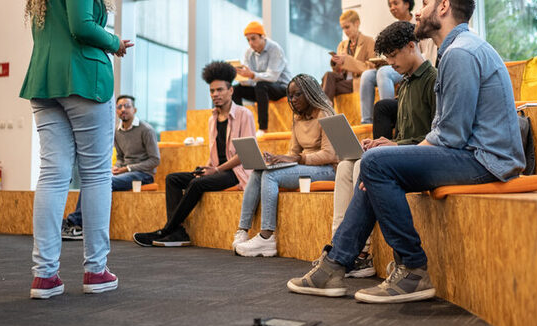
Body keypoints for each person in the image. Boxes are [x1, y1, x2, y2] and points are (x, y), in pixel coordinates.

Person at [287, 0, 524, 303]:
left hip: (485, 160)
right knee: (375, 165)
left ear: (443, 8)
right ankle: (335, 264)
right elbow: (448, 133)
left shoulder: (461, 53)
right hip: (476, 154)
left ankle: (411, 268)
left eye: (424, 3)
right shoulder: (456, 50)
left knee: (375, 163)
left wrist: (400, 152)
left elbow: (451, 136)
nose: (418, 11)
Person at [20, 0, 132, 299]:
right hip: (84, 80)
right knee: (98, 174)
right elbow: (82, 27)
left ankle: (45, 276)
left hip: (44, 82)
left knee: (52, 176)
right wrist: (114, 41)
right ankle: (95, 270)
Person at [329, 21, 437, 277]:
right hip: (405, 152)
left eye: (393, 55)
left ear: (411, 46)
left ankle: (361, 253)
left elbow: (436, 136)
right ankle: (339, 246)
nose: (389, 62)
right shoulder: (407, 83)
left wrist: (394, 145)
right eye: (386, 56)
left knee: (366, 165)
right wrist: (383, 142)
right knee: (346, 165)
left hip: (424, 155)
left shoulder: (432, 80)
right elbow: (404, 134)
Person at [133, 61, 255, 247]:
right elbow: (215, 152)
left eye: (220, 90)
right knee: (173, 179)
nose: (215, 94)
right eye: (212, 91)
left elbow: (245, 156)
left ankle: (166, 230)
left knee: (197, 183)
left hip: (237, 173)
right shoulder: (212, 119)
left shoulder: (244, 114)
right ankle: (179, 232)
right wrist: (208, 168)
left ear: (231, 91)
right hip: (217, 171)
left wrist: (216, 170)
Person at [233, 74, 338, 257]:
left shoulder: (325, 113)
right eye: (291, 96)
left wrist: (296, 159)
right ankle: (242, 230)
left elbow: (329, 155)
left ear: (310, 93)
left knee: (271, 176)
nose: (293, 100)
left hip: (329, 169)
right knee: (260, 171)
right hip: (307, 165)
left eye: (298, 95)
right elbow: (293, 152)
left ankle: (267, 238)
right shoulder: (297, 118)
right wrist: (277, 160)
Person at [61, 95, 160, 240]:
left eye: (127, 106)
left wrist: (127, 169)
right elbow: (120, 157)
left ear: (135, 109)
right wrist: (116, 168)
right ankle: (78, 224)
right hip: (124, 173)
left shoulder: (146, 130)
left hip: (143, 175)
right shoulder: (117, 132)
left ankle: (76, 223)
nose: (123, 109)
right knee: (93, 179)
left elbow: (155, 160)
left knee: (106, 181)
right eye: (119, 107)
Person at [358, 0, 415, 124]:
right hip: (393, 64)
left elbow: (422, 54)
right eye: (390, 4)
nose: (392, 7)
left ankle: (390, 116)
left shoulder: (417, 25)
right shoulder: (394, 27)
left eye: (396, 3)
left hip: (410, 66)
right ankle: (366, 121)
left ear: (407, 4)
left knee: (384, 72)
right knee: (367, 75)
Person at [232, 21, 292, 135]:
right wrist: (241, 77)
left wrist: (252, 75)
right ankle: (240, 127)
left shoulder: (275, 48)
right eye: (248, 40)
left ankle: (263, 128)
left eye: (253, 39)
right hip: (261, 90)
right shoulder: (248, 53)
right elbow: (250, 80)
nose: (250, 43)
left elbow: (273, 76)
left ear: (262, 36)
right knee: (235, 90)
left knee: (261, 85)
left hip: (282, 88)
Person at [321, 10, 375, 102]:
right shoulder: (342, 45)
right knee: (328, 75)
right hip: (344, 80)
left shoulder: (369, 42)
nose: (345, 31)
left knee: (325, 87)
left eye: (347, 27)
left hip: (358, 81)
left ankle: (324, 110)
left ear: (357, 23)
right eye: (343, 28)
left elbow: (371, 68)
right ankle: (325, 109)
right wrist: (336, 63)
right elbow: (337, 72)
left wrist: (346, 61)